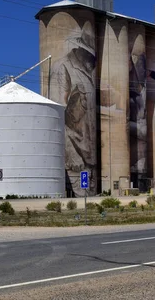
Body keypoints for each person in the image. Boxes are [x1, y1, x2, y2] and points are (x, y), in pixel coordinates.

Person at [49, 30, 97, 196]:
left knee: (89, 204)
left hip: (89, 158)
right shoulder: (63, 68)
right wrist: (71, 155)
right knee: (79, 201)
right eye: (91, 56)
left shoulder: (86, 72)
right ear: (83, 51)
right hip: (75, 160)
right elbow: (57, 118)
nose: (94, 61)